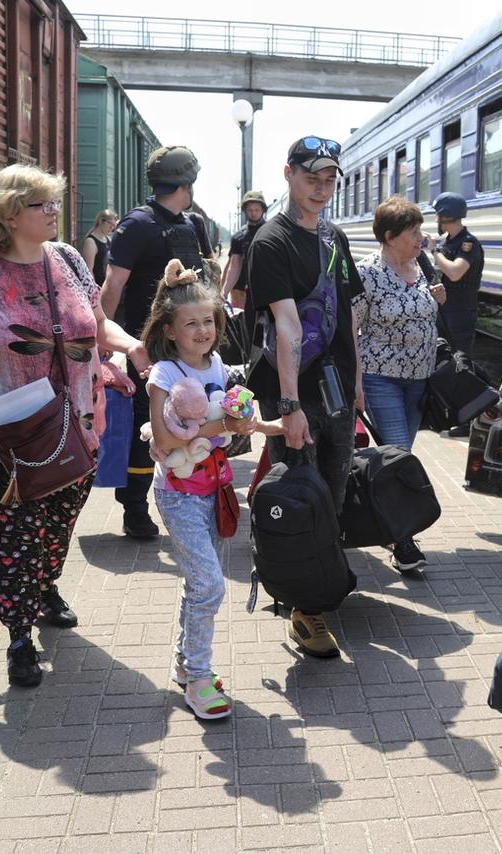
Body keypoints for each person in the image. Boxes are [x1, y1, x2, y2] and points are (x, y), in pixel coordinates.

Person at [0, 164, 150, 687]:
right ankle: (19, 635)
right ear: (8, 214)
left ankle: (45, 586)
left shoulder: (68, 259)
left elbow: (96, 322)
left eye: (54, 203)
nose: (54, 212)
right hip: (9, 432)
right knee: (17, 533)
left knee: (62, 519)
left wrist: (128, 344)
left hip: (81, 420)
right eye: (42, 204)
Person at [141, 260, 280, 720]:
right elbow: (164, 439)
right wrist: (224, 422)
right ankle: (199, 679)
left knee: (198, 584)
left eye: (208, 321)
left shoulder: (218, 363)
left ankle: (186, 664)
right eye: (191, 324)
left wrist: (261, 423)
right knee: (210, 586)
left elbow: (229, 419)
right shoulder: (163, 373)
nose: (202, 330)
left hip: (214, 487)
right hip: (179, 493)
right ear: (170, 331)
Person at [245, 135, 364, 658]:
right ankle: (303, 609)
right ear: (289, 173)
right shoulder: (271, 242)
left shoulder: (335, 238)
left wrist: (357, 380)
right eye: (312, 177)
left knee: (334, 490)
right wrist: (290, 409)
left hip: (337, 387)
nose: (321, 188)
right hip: (292, 390)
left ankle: (315, 581)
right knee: (300, 492)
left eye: (330, 179)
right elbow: (286, 326)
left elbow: (347, 313)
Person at [102, 145, 213, 540]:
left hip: (187, 346)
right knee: (142, 428)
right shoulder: (137, 225)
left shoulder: (192, 224)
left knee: (194, 420)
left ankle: (194, 495)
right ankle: (134, 508)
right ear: (189, 181)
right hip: (146, 347)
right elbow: (112, 287)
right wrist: (105, 343)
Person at [355, 196, 447, 571]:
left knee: (401, 453)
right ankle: (403, 540)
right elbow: (351, 325)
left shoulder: (420, 265)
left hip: (420, 378)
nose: (421, 238)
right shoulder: (368, 273)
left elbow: (423, 311)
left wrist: (437, 299)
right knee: (398, 456)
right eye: (414, 232)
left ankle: (386, 521)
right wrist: (356, 380)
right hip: (381, 377)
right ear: (390, 237)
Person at [429, 192, 484, 362]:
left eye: (438, 215)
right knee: (441, 357)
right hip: (444, 309)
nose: (436, 219)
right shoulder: (446, 242)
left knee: (461, 361)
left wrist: (433, 251)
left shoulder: (468, 243)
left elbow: (454, 273)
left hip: (461, 312)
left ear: (446, 216)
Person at [222, 190, 268, 310]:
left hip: (267, 290)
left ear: (263, 210)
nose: (253, 213)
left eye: (257, 210)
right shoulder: (238, 237)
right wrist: (224, 292)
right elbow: (234, 266)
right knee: (241, 326)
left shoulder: (272, 233)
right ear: (245, 211)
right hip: (241, 291)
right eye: (250, 210)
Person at [81, 209, 117, 286]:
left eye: (113, 227)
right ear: (101, 221)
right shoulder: (90, 241)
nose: (111, 228)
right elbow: (89, 270)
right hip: (97, 286)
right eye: (110, 225)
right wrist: (94, 289)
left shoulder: (108, 239)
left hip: (106, 285)